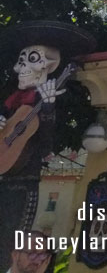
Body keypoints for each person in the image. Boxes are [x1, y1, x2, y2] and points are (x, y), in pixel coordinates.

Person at [0, 22, 94, 272]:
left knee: (12, 238)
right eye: (21, 61)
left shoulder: (44, 103)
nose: (20, 69)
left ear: (49, 66)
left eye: (31, 61)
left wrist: (49, 108)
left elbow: (44, 143)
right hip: (4, 173)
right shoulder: (11, 100)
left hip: (24, 180)